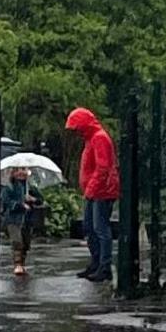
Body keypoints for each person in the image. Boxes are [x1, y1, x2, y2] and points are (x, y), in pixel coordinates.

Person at [64, 106, 121, 281]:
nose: (77, 132)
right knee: (90, 228)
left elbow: (103, 168)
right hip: (96, 190)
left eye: (78, 128)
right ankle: (97, 263)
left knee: (99, 229)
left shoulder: (99, 139)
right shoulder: (92, 138)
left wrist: (91, 189)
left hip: (101, 191)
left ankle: (103, 267)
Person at [0, 157, 41, 279]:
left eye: (24, 169)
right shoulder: (9, 187)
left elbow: (40, 200)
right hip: (13, 219)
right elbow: (6, 202)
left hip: (27, 220)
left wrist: (33, 200)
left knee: (26, 243)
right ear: (14, 172)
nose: (21, 172)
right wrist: (20, 204)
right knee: (17, 241)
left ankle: (22, 263)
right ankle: (17, 264)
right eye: (19, 170)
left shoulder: (31, 187)